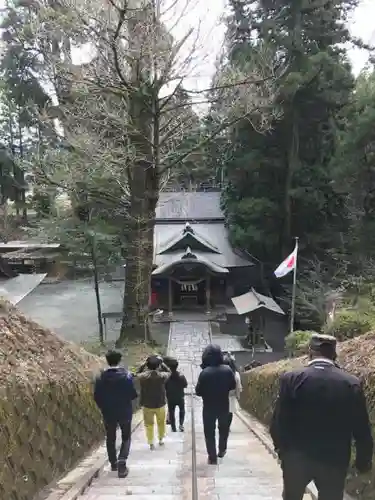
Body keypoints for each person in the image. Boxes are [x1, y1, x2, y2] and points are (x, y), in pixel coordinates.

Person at [270, 333, 373, 500]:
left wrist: (282, 450)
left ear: (310, 352)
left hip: (296, 457)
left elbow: (279, 421)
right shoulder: (351, 383)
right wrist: (363, 462)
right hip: (334, 459)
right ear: (334, 354)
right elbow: (361, 428)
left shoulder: (291, 379)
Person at [93, 350, 138, 478]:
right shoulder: (127, 376)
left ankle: (113, 463)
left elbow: (96, 396)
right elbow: (133, 394)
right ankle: (122, 460)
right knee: (126, 437)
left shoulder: (100, 377)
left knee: (110, 437)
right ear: (119, 360)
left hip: (108, 412)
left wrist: (103, 407)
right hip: (124, 411)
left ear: (107, 361)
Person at [195, 344, 236, 464]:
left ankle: (212, 456)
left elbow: (198, 391)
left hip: (208, 407)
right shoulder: (227, 370)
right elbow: (232, 386)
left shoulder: (205, 373)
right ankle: (222, 449)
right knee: (224, 429)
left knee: (209, 432)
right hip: (224, 405)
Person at [137, 355, 170, 450]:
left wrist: (144, 364)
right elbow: (169, 372)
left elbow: (137, 373)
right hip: (160, 403)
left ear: (148, 365)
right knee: (161, 422)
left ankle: (151, 442)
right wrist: (162, 363)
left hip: (147, 404)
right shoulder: (162, 376)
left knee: (149, 424)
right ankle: (160, 439)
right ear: (158, 366)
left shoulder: (143, 376)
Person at [165, 358, 188, 432]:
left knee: (171, 412)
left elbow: (165, 387)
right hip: (180, 397)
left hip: (171, 398)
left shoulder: (167, 377)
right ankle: (181, 425)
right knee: (182, 410)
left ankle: (173, 427)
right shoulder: (181, 376)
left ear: (169, 367)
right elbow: (185, 385)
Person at [224, 353, 242, 427]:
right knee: (230, 412)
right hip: (231, 395)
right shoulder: (235, 374)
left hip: (221, 395)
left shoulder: (220, 372)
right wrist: (238, 395)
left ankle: (223, 425)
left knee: (223, 412)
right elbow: (238, 386)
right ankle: (227, 426)